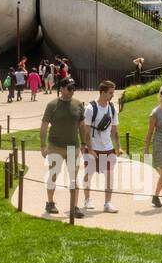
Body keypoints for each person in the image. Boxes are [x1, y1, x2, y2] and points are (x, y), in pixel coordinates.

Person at [39, 76, 87, 218]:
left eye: (74, 88)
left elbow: (82, 126)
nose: (72, 90)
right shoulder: (52, 105)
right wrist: (43, 145)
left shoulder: (78, 104)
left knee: (74, 178)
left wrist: (83, 143)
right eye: (69, 88)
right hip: (55, 146)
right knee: (53, 175)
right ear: (61, 88)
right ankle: (50, 202)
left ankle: (74, 206)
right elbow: (44, 126)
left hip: (73, 147)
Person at [83, 80, 121, 213]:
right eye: (110, 93)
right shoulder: (90, 108)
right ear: (102, 92)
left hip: (108, 148)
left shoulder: (112, 108)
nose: (112, 95)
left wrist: (118, 147)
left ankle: (107, 203)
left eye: (113, 93)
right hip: (93, 147)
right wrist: (90, 149)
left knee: (109, 175)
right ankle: (87, 200)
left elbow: (115, 131)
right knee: (89, 174)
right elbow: (86, 132)